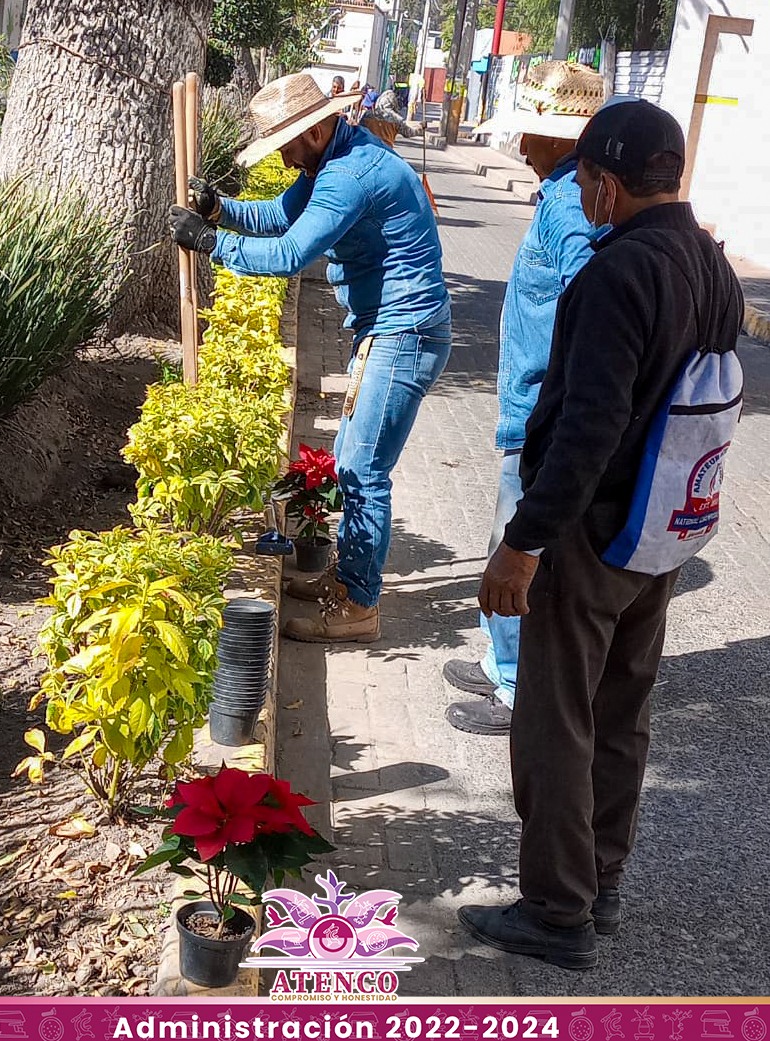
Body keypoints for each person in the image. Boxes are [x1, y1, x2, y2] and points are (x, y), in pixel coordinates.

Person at [457, 100, 744, 969]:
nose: (581, 195)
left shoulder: (619, 274)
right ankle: (601, 882)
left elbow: (588, 425)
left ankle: (555, 909)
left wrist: (524, 540)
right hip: (660, 526)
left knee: (556, 717)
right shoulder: (711, 263)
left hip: (591, 529)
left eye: (584, 180)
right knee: (622, 709)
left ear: (609, 184)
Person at [169, 73, 451, 644]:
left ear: (318, 130)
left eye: (288, 144)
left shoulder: (350, 175)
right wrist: (220, 210)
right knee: (352, 462)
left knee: (362, 472)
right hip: (385, 329)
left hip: (404, 334)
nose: (285, 156)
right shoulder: (330, 159)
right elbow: (279, 216)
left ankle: (359, 606)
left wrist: (209, 242)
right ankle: (347, 583)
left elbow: (291, 252)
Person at [442, 62, 604, 735]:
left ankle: (515, 690)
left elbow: (594, 302)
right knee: (502, 538)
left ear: (560, 139)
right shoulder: (561, 194)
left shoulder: (569, 207)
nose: (518, 146)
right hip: (528, 407)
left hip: (540, 414)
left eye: (529, 134)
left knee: (518, 550)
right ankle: (499, 658)